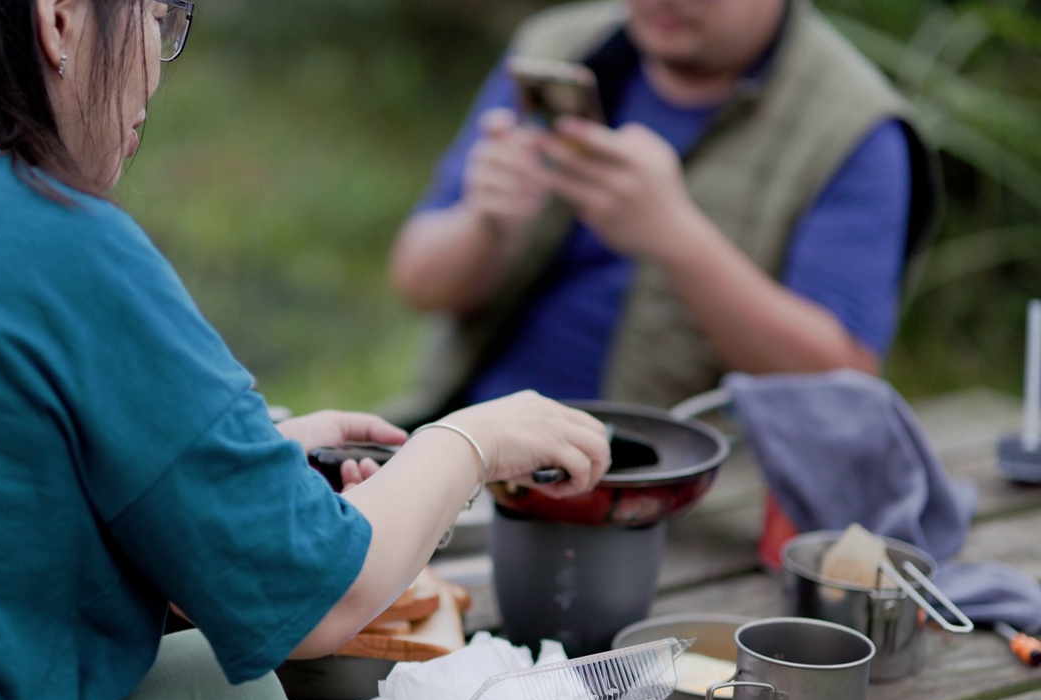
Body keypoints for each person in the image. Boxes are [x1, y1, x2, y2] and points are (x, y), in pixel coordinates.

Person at [0, 1, 612, 700]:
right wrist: (470, 442)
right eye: (157, 15)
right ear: (60, 17)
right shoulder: (53, 243)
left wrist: (239, 469)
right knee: (223, 687)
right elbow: (324, 593)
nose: (156, 70)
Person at [385, 0, 942, 425]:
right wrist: (486, 221)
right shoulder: (559, 45)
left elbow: (842, 390)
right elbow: (417, 284)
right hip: (468, 439)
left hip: (672, 495)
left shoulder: (857, 130)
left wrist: (678, 239)